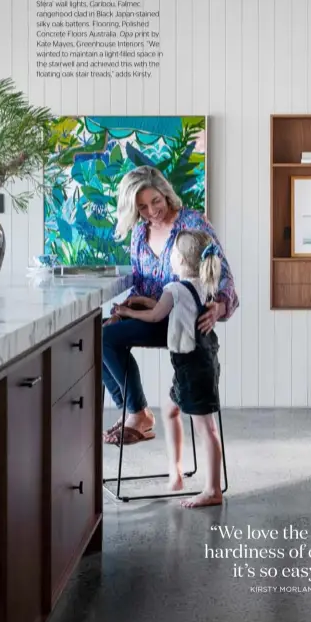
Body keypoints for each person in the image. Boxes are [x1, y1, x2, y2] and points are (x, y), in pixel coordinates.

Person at [103, 165, 238, 445]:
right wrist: (125, 312)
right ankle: (134, 410)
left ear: (166, 194)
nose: (152, 211)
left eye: (155, 201)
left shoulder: (192, 222)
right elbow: (142, 287)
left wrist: (220, 308)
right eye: (142, 207)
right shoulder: (140, 234)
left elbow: (223, 276)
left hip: (185, 323)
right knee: (97, 335)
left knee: (105, 338)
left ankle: (136, 413)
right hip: (154, 314)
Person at [115, 229, 223, 507]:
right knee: (171, 409)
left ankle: (213, 491)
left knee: (206, 429)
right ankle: (175, 470)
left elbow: (155, 315)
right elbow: (170, 308)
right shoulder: (204, 285)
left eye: (172, 252)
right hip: (202, 361)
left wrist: (127, 312)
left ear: (180, 260)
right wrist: (146, 303)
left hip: (191, 366)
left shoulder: (174, 289)